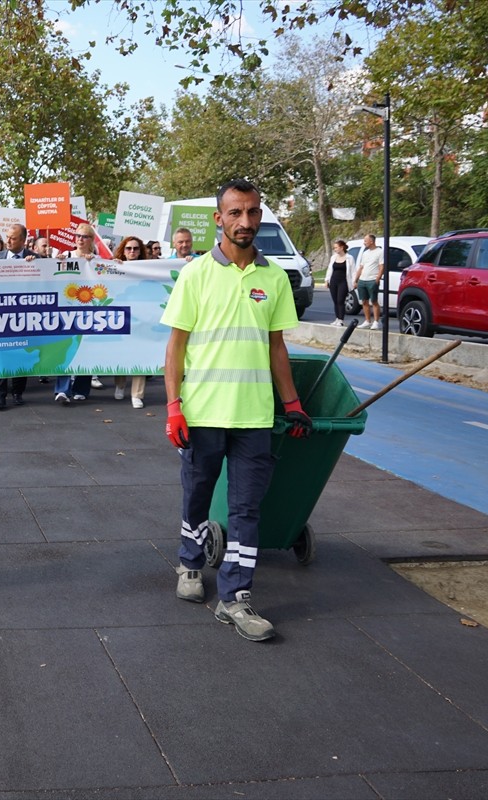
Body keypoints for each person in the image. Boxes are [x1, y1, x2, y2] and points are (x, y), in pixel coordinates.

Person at [161, 178, 310, 643]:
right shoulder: (196, 274)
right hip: (203, 414)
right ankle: (189, 563)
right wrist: (173, 406)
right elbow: (176, 347)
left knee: (247, 509)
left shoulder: (273, 279)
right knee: (198, 494)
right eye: (235, 213)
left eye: (252, 212)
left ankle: (236, 597)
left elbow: (277, 347)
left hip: (254, 417)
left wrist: (292, 403)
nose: (245, 222)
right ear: (218, 219)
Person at [0, 223, 34, 409]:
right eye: (8, 237)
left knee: (20, 351)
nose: (8, 241)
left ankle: (18, 392)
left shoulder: (34, 258)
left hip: (22, 316)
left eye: (13, 238)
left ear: (23, 240)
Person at [53, 222, 98, 405]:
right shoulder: (65, 257)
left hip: (88, 308)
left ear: (91, 240)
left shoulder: (96, 259)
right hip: (67, 308)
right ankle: (62, 389)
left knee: (85, 346)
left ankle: (81, 388)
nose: (80, 239)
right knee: (64, 346)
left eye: (85, 236)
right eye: (78, 236)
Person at [112, 237, 148, 407]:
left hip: (142, 318)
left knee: (141, 354)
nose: (132, 251)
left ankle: (137, 395)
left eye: (135, 248)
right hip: (122, 318)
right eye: (128, 248)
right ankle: (120, 385)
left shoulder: (150, 268)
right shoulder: (115, 266)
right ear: (123, 250)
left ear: (140, 250)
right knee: (122, 353)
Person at [352, 234, 385, 330]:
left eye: (366, 241)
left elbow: (381, 266)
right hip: (363, 279)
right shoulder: (365, 253)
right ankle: (367, 321)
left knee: (374, 301)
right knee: (364, 301)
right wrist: (356, 280)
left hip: (372, 280)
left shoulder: (380, 252)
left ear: (371, 241)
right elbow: (361, 267)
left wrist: (378, 278)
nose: (364, 242)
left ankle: (376, 322)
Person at [327, 240, 352, 327]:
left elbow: (353, 271)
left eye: (336, 247)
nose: (335, 249)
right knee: (335, 301)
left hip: (343, 281)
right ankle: (337, 318)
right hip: (333, 281)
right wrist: (327, 280)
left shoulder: (349, 258)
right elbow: (330, 269)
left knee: (340, 300)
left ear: (341, 247)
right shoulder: (333, 257)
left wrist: (354, 282)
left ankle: (341, 319)